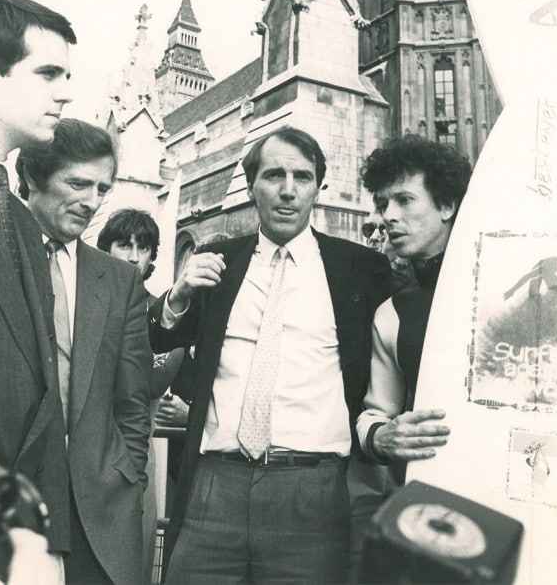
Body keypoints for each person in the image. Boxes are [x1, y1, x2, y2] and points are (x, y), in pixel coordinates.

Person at [148, 126, 393, 584]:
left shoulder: (360, 270)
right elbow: (154, 340)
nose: (287, 190)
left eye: (302, 177)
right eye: (274, 175)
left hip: (311, 493)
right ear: (251, 184)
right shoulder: (218, 261)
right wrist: (177, 295)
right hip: (213, 488)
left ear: (318, 187)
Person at [16, 119, 152, 584]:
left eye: (102, 188)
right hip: (10, 502)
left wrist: (127, 477)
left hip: (99, 510)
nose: (91, 201)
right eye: (78, 183)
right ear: (33, 177)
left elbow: (133, 400)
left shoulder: (119, 280)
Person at [0, 0, 76, 578]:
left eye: (67, 76)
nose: (64, 92)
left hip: (17, 541)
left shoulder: (16, 216)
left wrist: (47, 548)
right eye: (47, 73)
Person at [356, 135, 471, 472]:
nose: (389, 216)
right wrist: (378, 437)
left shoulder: (507, 284)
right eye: (383, 203)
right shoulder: (391, 313)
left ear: (447, 205)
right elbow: (376, 413)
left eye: (405, 199)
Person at [96, 207, 189, 583]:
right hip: (79, 446)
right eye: (124, 245)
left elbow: (150, 383)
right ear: (107, 248)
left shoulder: (164, 313)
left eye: (143, 247)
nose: (134, 256)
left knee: (135, 556)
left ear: (153, 255)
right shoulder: (81, 301)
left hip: (137, 449)